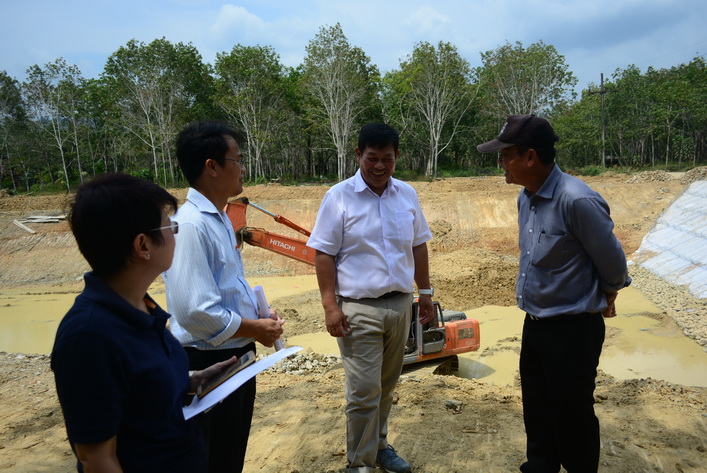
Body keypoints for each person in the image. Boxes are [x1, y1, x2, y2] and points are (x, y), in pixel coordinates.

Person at [51, 173, 238, 473]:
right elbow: (97, 459)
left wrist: (191, 381)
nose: (175, 233)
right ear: (143, 245)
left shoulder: (141, 307)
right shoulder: (89, 337)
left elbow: (138, 394)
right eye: (169, 226)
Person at [477, 114, 631, 473]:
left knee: (572, 414)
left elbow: (613, 261)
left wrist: (610, 291)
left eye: (506, 155)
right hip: (536, 323)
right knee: (538, 408)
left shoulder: (577, 200)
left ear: (530, 157)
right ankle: (540, 466)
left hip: (572, 330)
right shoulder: (525, 198)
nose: (500, 163)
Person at [306, 123, 434, 473]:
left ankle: (379, 447)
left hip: (400, 305)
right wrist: (330, 306)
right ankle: (359, 464)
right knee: (364, 392)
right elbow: (323, 254)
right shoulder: (339, 197)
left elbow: (418, 245)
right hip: (358, 310)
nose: (379, 166)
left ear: (397, 157)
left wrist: (425, 292)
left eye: (387, 159)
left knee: (386, 387)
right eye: (372, 158)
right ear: (358, 155)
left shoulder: (406, 194)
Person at [163, 121, 284, 473]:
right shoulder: (191, 225)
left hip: (235, 356)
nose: (243, 168)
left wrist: (259, 315)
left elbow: (226, 288)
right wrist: (255, 328)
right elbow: (194, 311)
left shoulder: (218, 219)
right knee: (212, 459)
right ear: (211, 166)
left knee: (229, 457)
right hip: (208, 363)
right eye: (238, 159)